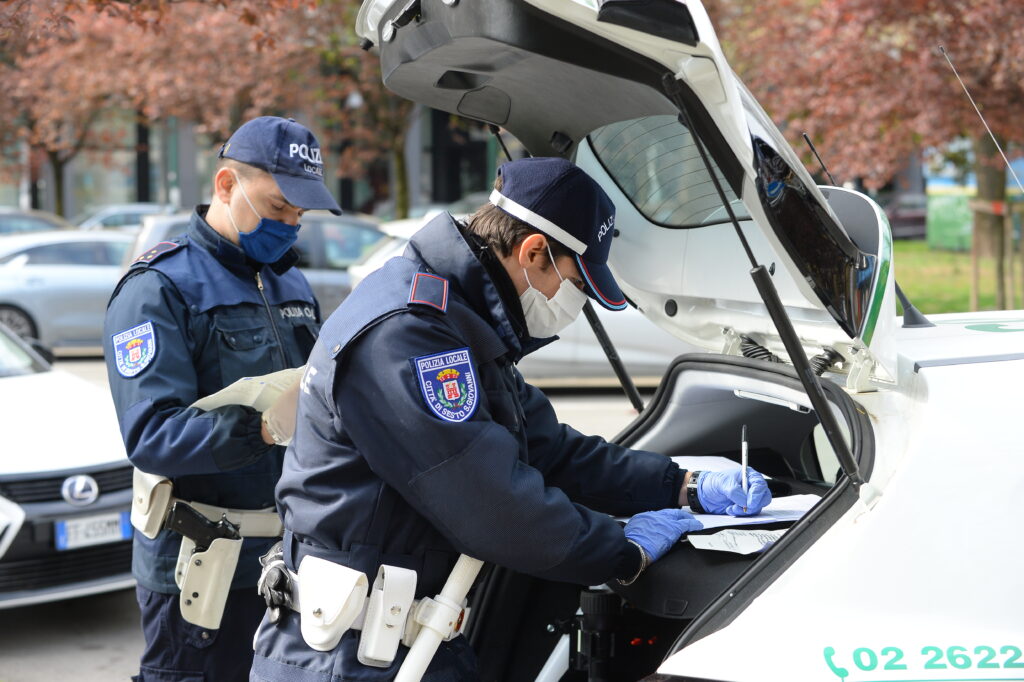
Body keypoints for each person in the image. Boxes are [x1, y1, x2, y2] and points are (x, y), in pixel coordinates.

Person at [249, 157, 771, 681]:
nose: (577, 305)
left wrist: (681, 484)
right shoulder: (409, 335)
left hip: (397, 645)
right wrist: (622, 552)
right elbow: (492, 505)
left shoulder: (458, 321)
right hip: (345, 656)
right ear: (534, 252)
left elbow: (549, 450)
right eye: (577, 285)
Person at [104, 116, 342, 682]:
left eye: (300, 215)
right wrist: (260, 428)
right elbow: (151, 437)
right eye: (279, 206)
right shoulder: (157, 289)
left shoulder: (288, 282)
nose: (289, 226)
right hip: (200, 564)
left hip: (282, 558)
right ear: (226, 186)